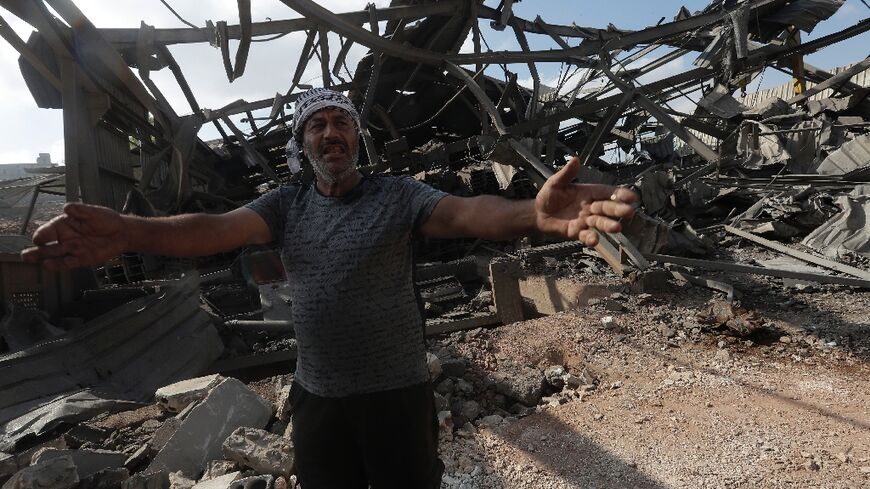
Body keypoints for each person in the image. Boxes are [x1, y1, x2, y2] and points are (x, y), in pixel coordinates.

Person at [22, 88, 637, 488]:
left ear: (357, 139)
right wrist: (130, 229)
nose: (331, 131)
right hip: (319, 398)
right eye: (317, 124)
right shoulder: (285, 205)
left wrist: (531, 213)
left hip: (398, 394)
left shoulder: (399, 195)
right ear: (302, 144)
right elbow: (214, 229)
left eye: (341, 121)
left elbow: (467, 213)